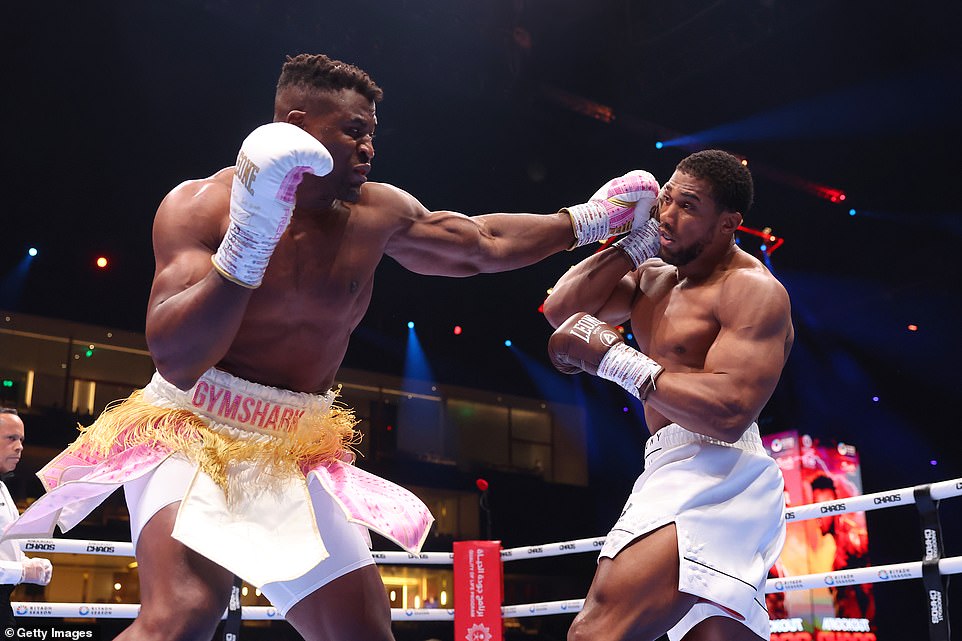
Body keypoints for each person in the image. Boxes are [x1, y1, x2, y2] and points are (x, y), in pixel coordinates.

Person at [2, 54, 659, 641]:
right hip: (191, 427)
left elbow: (480, 243)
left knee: (362, 632)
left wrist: (588, 220)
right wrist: (248, 244)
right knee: (183, 614)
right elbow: (175, 354)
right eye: (354, 130)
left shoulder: (377, 211)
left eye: (373, 131)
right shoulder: (202, 206)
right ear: (297, 123)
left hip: (297, 446)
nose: (370, 146)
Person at [543, 149, 794, 641]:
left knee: (596, 631)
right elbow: (562, 309)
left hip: (719, 469)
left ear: (728, 224)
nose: (668, 216)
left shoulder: (752, 290)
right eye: (666, 200)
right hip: (666, 462)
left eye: (688, 207)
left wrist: (618, 361)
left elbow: (729, 414)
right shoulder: (652, 279)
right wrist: (631, 244)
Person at [0, 408, 52, 630]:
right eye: (11, 438)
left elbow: (6, 544)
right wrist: (21, 571)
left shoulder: (2, 487)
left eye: (21, 439)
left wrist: (26, 562)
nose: (19, 446)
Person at [810, 474, 874, 621]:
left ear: (830, 503)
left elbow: (869, 588)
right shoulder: (839, 543)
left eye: (816, 507)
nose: (816, 518)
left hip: (861, 625)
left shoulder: (852, 538)